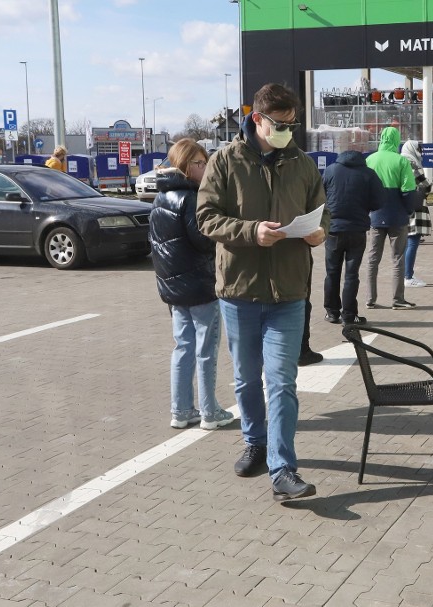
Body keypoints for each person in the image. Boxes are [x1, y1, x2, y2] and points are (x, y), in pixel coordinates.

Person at [197, 82, 329, 501]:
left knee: (282, 382)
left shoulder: (303, 164)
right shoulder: (224, 161)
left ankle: (283, 469)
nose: (290, 130)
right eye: (282, 123)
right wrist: (251, 231)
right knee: (246, 380)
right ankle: (254, 442)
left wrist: (317, 234)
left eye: (294, 123)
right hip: (239, 289)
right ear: (258, 119)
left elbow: (319, 211)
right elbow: (206, 218)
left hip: (289, 291)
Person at [149, 139, 235, 432]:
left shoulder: (161, 196)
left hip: (173, 286)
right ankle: (210, 411)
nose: (205, 167)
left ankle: (181, 410)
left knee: (183, 347)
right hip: (199, 284)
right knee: (206, 349)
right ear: (185, 165)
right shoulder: (192, 198)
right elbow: (202, 240)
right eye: (200, 163)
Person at [322, 149, 385, 326]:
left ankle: (331, 312)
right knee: (351, 274)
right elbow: (379, 201)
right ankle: (349, 315)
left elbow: (320, 196)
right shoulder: (368, 174)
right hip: (357, 230)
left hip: (333, 229)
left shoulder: (330, 170)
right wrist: (364, 207)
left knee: (331, 272)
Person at [364, 126, 419, 311]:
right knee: (398, 258)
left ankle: (370, 299)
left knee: (373, 258)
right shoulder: (401, 161)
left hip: (375, 216)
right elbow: (408, 190)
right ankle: (398, 300)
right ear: (396, 140)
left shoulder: (370, 159)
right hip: (397, 216)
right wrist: (409, 210)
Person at [400, 140, 432, 288]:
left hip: (403, 205)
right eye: (419, 149)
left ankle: (403, 274)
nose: (420, 152)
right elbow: (424, 184)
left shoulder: (400, 160)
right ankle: (408, 276)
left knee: (406, 242)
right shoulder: (411, 163)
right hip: (415, 207)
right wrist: (428, 184)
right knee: (413, 240)